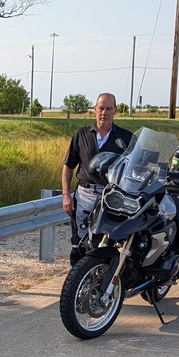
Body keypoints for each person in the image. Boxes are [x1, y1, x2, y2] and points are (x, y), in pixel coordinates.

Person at [61, 92, 132, 262]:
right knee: (80, 243)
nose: (104, 113)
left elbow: (133, 169)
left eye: (109, 109)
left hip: (112, 197)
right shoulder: (81, 134)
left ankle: (101, 282)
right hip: (85, 194)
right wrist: (66, 195)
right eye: (101, 108)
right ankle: (77, 282)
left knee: (106, 243)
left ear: (115, 111)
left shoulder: (126, 137)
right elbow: (68, 166)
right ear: (94, 110)